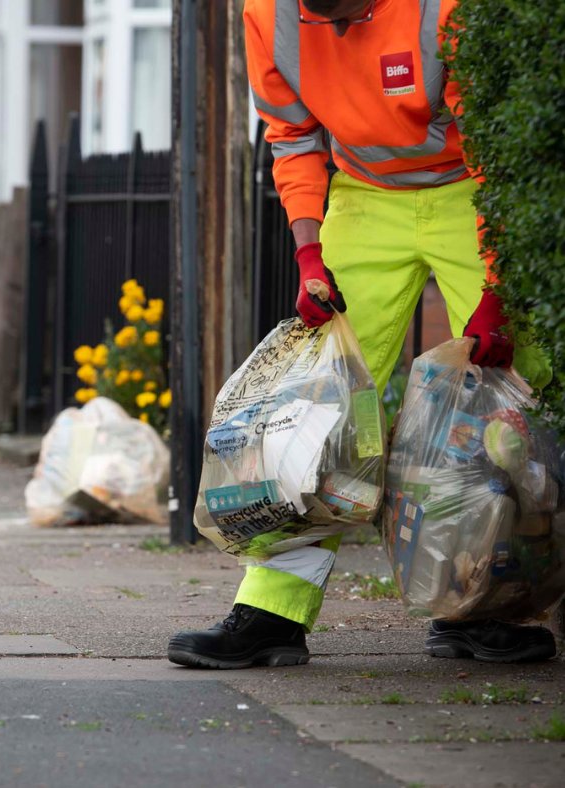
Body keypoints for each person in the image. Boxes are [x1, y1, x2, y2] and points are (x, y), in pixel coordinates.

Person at [167, 0, 555, 669]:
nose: (333, 23)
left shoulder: (443, 10)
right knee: (315, 409)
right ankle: (272, 614)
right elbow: (290, 137)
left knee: (524, 395)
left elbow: (496, 147)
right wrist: (309, 252)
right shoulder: (268, 14)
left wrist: (495, 294)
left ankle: (482, 606)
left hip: (470, 192)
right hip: (365, 195)